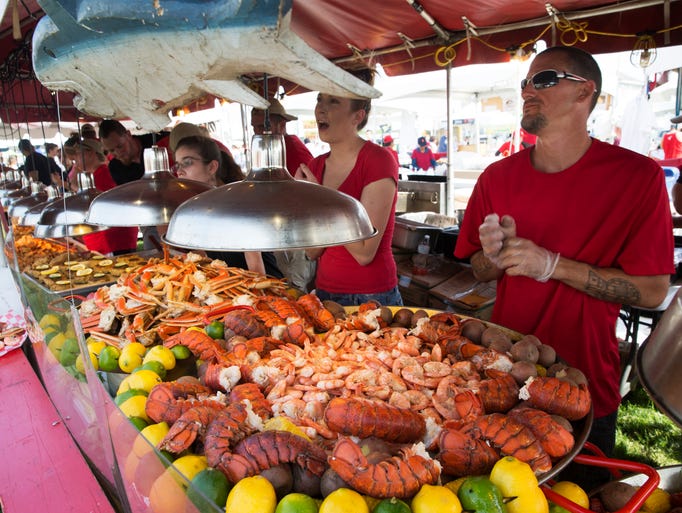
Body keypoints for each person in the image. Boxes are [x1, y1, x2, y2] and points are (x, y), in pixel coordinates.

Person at [454, 46, 674, 486]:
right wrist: (492, 256)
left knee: (579, 496)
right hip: (503, 380)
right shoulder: (496, 178)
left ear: (584, 93)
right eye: (525, 82)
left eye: (545, 79)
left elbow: (652, 292)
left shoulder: (637, 177)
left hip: (584, 381)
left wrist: (552, 265)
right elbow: (477, 271)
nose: (528, 90)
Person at [295, 68, 402, 307]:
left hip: (372, 295)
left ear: (357, 116)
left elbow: (365, 252)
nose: (321, 109)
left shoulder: (378, 160)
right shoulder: (316, 165)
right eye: (319, 99)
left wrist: (321, 200)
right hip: (325, 292)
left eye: (333, 102)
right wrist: (303, 204)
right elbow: (312, 252)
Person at [172, 135, 283, 278]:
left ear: (212, 167)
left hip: (264, 285)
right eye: (177, 165)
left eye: (187, 162)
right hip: (229, 288)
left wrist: (259, 297)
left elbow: (255, 265)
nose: (179, 171)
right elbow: (203, 260)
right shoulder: (196, 207)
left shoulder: (237, 203)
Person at [251, 98, 316, 292]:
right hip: (280, 232)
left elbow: (304, 196)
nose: (259, 131)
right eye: (255, 127)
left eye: (264, 125)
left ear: (281, 125)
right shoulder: (266, 150)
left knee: (294, 289)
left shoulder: (291, 149)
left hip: (295, 235)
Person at [63, 135, 138, 255]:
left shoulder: (103, 173)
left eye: (78, 154)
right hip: (104, 240)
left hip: (113, 240)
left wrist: (75, 187)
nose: (75, 159)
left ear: (90, 153)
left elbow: (102, 202)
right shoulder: (95, 174)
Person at [250, 98, 313, 175]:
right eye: (254, 127)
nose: (256, 132)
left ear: (282, 125)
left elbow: (305, 185)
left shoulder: (294, 151)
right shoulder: (275, 147)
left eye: (262, 127)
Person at [99, 119, 168, 185]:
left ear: (128, 135)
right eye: (112, 150)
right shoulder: (115, 167)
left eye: (120, 146)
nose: (118, 153)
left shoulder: (157, 141)